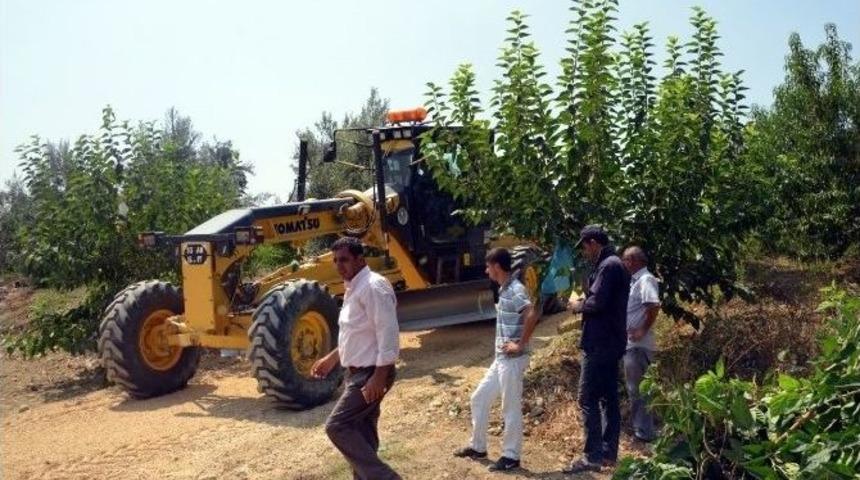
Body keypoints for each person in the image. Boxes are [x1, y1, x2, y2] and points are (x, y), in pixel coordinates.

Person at [311, 236, 401, 480]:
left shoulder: (373, 287)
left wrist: (379, 377)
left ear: (360, 259)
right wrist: (332, 359)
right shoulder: (354, 287)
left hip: (371, 373)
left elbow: (387, 333)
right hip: (357, 373)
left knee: (337, 426)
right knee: (362, 433)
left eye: (344, 260)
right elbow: (356, 334)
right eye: (335, 261)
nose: (339, 266)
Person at [453, 247, 540, 472]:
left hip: (513, 360)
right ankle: (478, 447)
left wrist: (520, 344)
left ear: (497, 267)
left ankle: (511, 456)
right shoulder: (504, 288)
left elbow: (532, 313)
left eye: (488, 266)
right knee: (479, 398)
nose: (486, 270)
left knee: (510, 407)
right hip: (502, 359)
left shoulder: (515, 289)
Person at [564, 225, 630, 474]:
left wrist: (577, 305)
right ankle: (607, 453)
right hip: (610, 341)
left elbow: (598, 302)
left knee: (588, 397)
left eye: (584, 247)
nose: (584, 252)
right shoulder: (614, 264)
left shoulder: (609, 266)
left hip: (600, 342)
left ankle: (592, 456)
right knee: (608, 398)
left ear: (593, 243)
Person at [621, 246, 660, 442]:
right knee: (635, 389)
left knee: (638, 389)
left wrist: (642, 329)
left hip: (638, 346)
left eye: (625, 259)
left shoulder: (645, 279)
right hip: (631, 345)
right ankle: (643, 429)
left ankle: (644, 433)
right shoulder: (634, 281)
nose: (623, 263)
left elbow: (653, 305)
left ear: (634, 260)